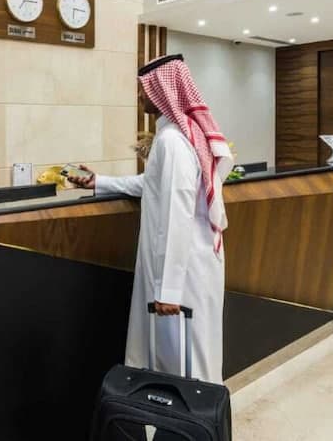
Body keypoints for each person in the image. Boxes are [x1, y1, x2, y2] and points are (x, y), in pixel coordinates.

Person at [69, 54, 233, 383]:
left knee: (184, 362)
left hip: (182, 274)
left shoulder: (172, 141)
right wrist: (101, 182)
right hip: (187, 265)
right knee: (178, 357)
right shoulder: (175, 135)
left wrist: (169, 289)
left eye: (144, 88)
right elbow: (153, 185)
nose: (140, 95)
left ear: (162, 91)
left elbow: (178, 211)